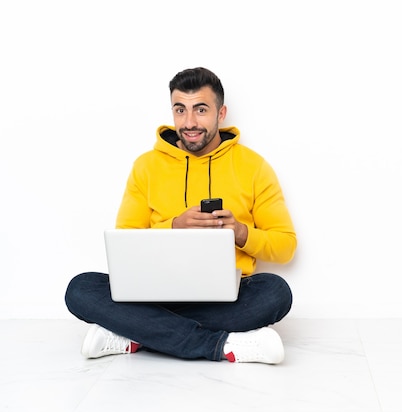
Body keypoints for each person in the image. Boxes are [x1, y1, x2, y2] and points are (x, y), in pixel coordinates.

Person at [65, 67, 297, 364]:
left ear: (221, 113)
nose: (189, 122)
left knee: (276, 293)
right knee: (80, 289)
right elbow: (124, 243)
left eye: (201, 109)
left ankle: (135, 333)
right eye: (180, 109)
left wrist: (239, 232)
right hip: (153, 292)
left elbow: (286, 246)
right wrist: (173, 227)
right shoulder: (146, 166)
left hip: (226, 296)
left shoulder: (254, 166)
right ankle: (219, 345)